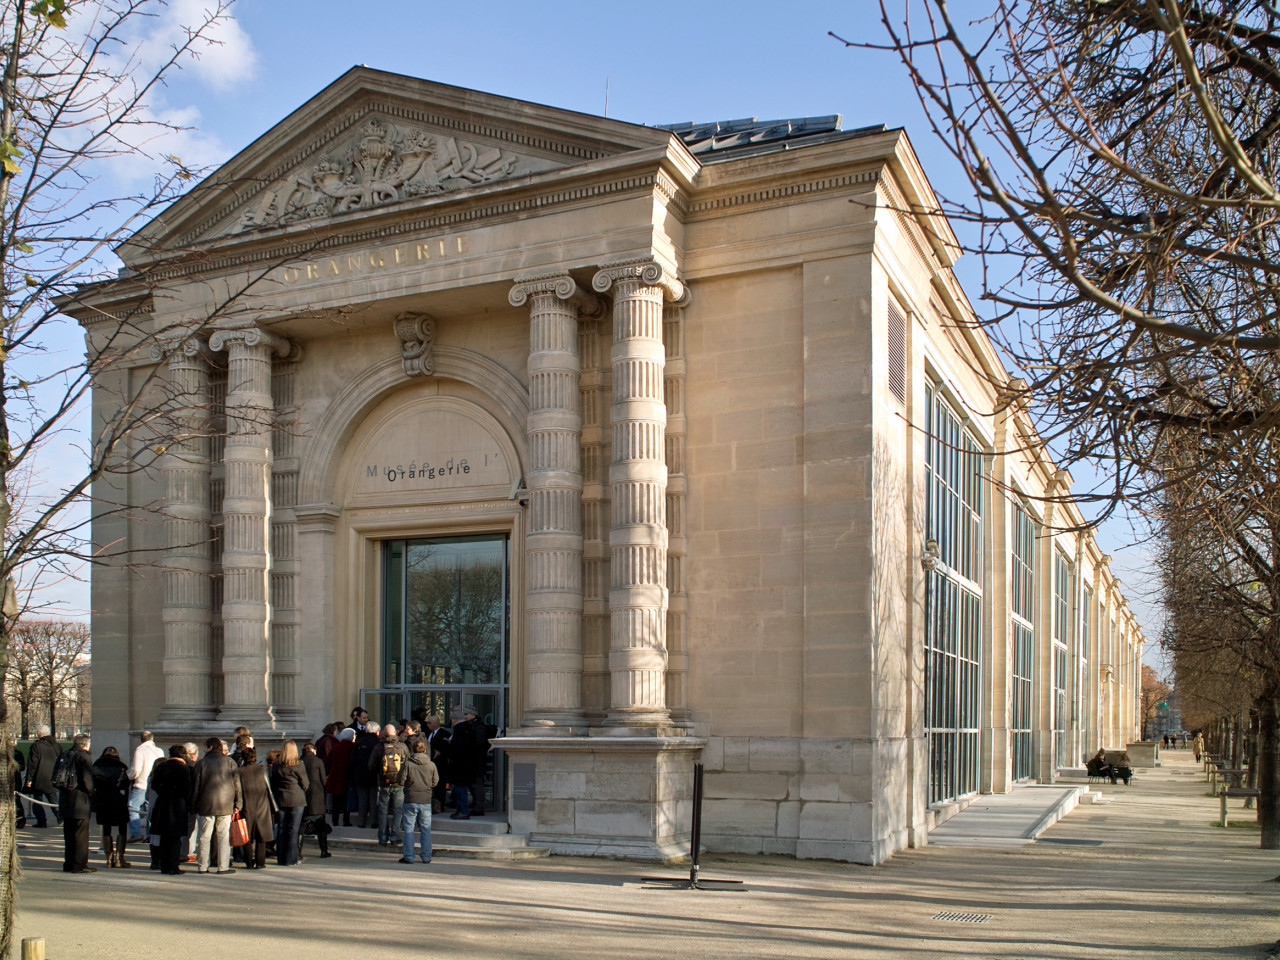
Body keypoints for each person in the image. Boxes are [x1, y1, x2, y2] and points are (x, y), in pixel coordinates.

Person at [191, 736, 241, 874]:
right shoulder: (230, 762)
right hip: (226, 804)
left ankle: (202, 865)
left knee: (204, 836)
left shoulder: (201, 763)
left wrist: (193, 804)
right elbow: (237, 785)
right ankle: (223, 866)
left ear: (210, 747)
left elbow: (196, 786)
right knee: (223, 836)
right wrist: (238, 802)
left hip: (206, 804)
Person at [150, 744, 194, 875]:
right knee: (175, 838)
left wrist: (165, 792)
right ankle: (173, 866)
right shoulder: (185, 769)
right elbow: (187, 789)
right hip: (178, 805)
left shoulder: (161, 767)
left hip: (163, 803)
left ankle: (164, 865)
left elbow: (154, 785)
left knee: (164, 837)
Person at [57, 732, 95, 873]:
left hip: (66, 798)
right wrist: (91, 792)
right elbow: (87, 780)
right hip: (80, 799)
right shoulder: (84, 756)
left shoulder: (66, 754)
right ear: (85, 744)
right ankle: (79, 864)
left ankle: (69, 862)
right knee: (81, 835)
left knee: (69, 833)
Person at [398, 739, 439, 865]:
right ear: (425, 750)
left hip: (411, 798)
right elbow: (435, 781)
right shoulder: (431, 764)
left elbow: (401, 780)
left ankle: (409, 856)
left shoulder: (408, 764)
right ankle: (426, 856)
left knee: (409, 829)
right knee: (426, 829)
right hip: (425, 799)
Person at [91, 745, 131, 867]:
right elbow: (125, 785)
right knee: (122, 828)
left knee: (106, 828)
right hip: (118, 799)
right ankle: (119, 858)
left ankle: (109, 858)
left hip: (103, 799)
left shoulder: (97, 767)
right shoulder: (121, 768)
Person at [234, 746, 274, 869]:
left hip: (247, 804)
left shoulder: (239, 771)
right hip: (262, 804)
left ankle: (249, 861)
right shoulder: (262, 769)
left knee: (247, 835)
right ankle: (260, 861)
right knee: (261, 834)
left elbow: (237, 790)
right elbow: (268, 787)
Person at [270, 740, 309, 865]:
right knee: (293, 830)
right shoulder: (298, 764)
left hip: (281, 798)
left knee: (282, 828)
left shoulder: (277, 764)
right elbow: (305, 783)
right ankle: (291, 858)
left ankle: (281, 858)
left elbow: (273, 782)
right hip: (296, 798)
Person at [449, 706, 490, 819]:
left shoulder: (475, 727)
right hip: (470, 762)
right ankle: (472, 807)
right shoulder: (469, 727)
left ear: (473, 715)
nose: (465, 716)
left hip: (474, 762)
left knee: (475, 785)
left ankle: (477, 807)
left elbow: (477, 745)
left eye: (467, 714)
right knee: (470, 785)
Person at [371, 724, 409, 846]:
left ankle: (382, 837)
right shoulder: (402, 746)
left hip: (384, 784)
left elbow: (371, 765)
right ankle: (395, 836)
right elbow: (408, 764)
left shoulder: (379, 747)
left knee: (383, 810)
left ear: (384, 733)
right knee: (398, 810)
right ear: (395, 733)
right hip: (399, 784)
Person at [127, 731, 164, 841]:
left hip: (141, 784)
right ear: (152, 738)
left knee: (132, 807)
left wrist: (129, 776)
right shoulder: (159, 750)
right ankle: (150, 834)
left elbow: (136, 769)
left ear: (141, 739)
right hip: (154, 783)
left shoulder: (140, 750)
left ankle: (136, 832)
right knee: (150, 810)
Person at [25, 723, 62, 829]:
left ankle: (41, 821)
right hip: (52, 777)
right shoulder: (56, 746)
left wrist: (29, 778)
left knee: (37, 800)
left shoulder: (36, 746)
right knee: (53, 799)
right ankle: (60, 817)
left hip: (39, 778)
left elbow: (32, 764)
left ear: (39, 734)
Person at [299, 742, 331, 859]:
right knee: (321, 826)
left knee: (301, 828)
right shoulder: (318, 761)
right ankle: (323, 850)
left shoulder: (299, 761)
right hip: (317, 797)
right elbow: (324, 781)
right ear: (313, 750)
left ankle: (298, 852)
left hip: (303, 797)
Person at [349, 720, 380, 828]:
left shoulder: (359, 741)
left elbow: (353, 760)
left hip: (360, 774)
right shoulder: (378, 742)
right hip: (373, 775)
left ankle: (361, 821)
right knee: (373, 799)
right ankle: (373, 821)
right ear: (376, 731)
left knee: (362, 799)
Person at [326, 727, 355, 826]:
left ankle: (335, 820)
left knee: (336, 802)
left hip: (335, 777)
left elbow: (330, 761)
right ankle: (345, 820)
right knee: (346, 800)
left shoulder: (337, 746)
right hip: (346, 777)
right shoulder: (351, 747)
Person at [425, 715, 450, 813]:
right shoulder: (427, 734)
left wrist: (439, 752)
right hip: (429, 763)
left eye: (429, 723)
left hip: (440, 765)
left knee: (440, 786)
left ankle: (440, 805)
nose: (427, 725)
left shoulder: (445, 734)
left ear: (436, 724)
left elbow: (446, 749)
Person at [11, 742, 25, 828]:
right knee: (17, 801)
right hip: (17, 780)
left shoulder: (16, 754)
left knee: (17, 800)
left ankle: (20, 819)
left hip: (14, 780)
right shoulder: (19, 753)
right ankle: (20, 820)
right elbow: (22, 767)